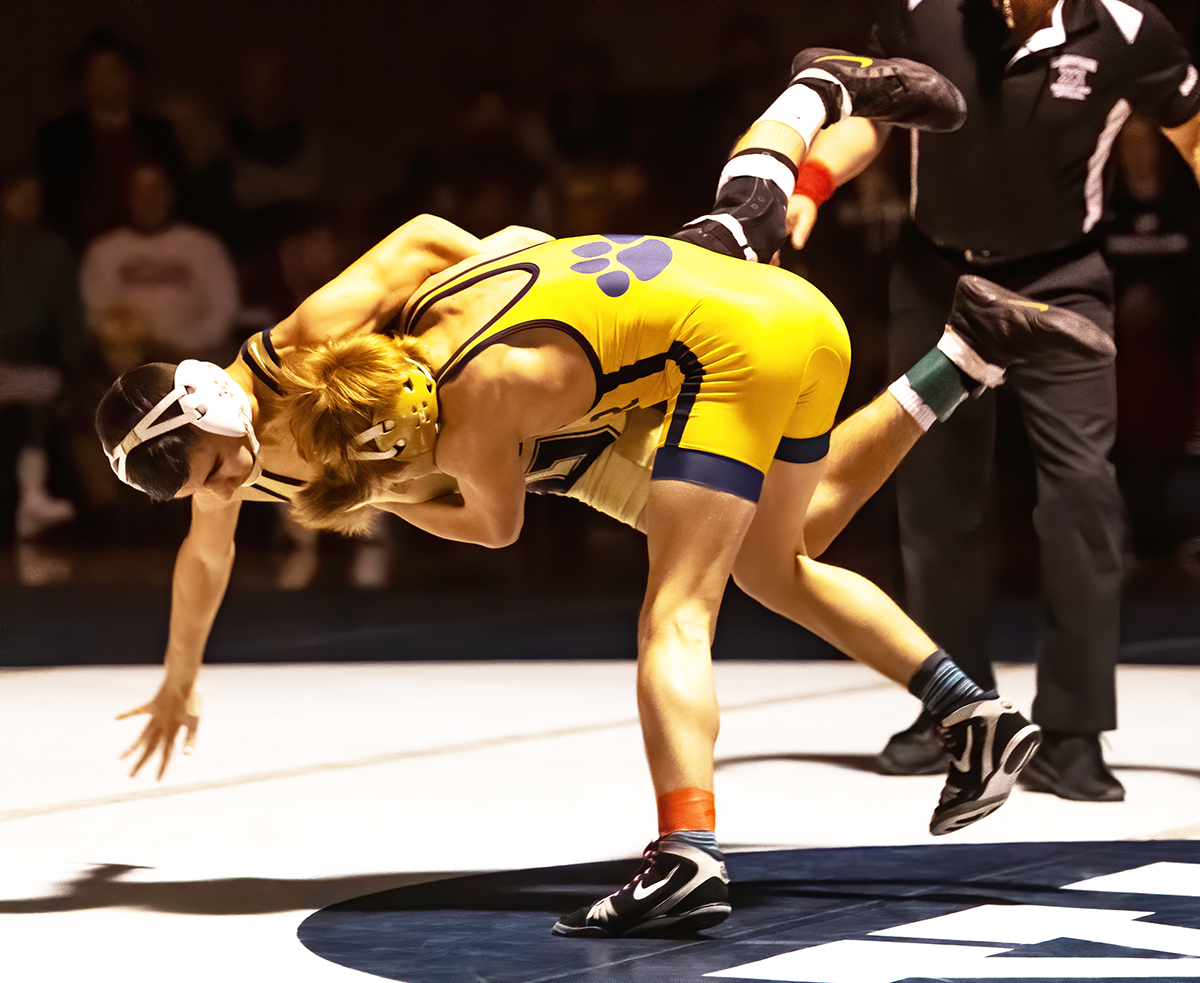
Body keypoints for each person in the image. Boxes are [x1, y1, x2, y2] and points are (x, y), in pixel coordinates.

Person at [94, 50, 1109, 939]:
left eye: (216, 465)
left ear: (213, 402)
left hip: (551, 400)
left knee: (684, 600)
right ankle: (964, 373)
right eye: (207, 484)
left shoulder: (320, 342)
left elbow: (435, 259)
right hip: (561, 420)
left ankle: (689, 851)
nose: (227, 484)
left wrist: (513, 318)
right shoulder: (242, 466)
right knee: (782, 546)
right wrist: (181, 674)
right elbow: (206, 552)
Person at [786, 1, 1200, 803]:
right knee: (934, 502)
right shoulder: (926, 13)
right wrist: (811, 182)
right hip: (936, 273)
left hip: (1063, 280)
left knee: (1083, 497)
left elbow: (1190, 130)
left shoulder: (1127, 31)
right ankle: (953, 712)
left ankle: (1074, 732)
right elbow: (869, 113)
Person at [80, 161, 241, 365]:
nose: (149, 199)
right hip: (126, 361)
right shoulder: (103, 250)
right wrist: (135, 347)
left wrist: (178, 347)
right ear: (127, 197)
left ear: (172, 194)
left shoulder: (205, 245)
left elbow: (224, 312)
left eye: (157, 189)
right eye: (139, 191)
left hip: (193, 359)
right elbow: (95, 315)